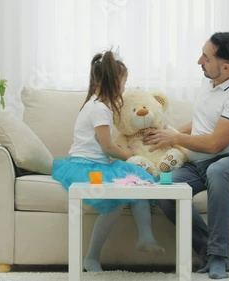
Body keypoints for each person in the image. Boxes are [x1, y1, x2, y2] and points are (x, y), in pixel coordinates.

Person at [143, 31, 229, 279]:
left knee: (218, 172)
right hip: (198, 164)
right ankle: (210, 251)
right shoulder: (209, 81)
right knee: (164, 188)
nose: (199, 61)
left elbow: (216, 144)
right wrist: (168, 130)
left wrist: (174, 138)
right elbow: (200, 125)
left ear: (226, 67)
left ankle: (217, 257)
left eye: (205, 57)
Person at [52, 50, 165, 272]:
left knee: (138, 182)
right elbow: (108, 147)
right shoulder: (99, 109)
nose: (124, 87)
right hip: (86, 167)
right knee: (114, 205)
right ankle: (91, 257)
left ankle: (145, 236)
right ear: (114, 81)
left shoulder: (96, 104)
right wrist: (131, 155)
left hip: (100, 164)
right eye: (124, 82)